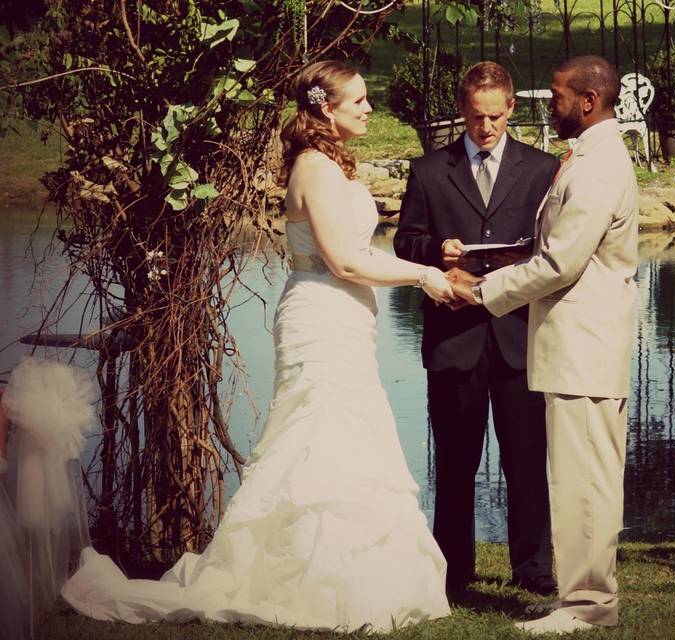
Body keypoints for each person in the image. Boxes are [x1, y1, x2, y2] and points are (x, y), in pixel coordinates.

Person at [59, 61, 453, 632]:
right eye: (360, 100)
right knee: (319, 434)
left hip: (345, 317)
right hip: (321, 315)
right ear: (326, 107)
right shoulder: (314, 169)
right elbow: (343, 260)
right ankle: (314, 574)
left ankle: (345, 567)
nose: (369, 108)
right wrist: (423, 275)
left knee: (345, 435)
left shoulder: (330, 164)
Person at [450, 55, 639, 634]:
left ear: (587, 101)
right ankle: (582, 597)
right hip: (577, 345)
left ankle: (587, 606)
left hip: (584, 346)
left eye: (556, 97)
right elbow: (547, 248)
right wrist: (499, 263)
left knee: (585, 480)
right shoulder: (588, 155)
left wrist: (482, 292)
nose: (548, 106)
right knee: (583, 476)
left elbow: (561, 262)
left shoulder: (600, 164)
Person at [394, 61, 559, 596]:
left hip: (518, 336)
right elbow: (405, 242)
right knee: (456, 462)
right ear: (462, 110)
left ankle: (533, 570)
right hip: (454, 338)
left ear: (511, 108)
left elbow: (552, 249)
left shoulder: (542, 169)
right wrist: (436, 251)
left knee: (527, 461)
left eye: (494, 116)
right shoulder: (428, 170)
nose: (485, 127)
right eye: (475, 116)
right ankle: (453, 573)